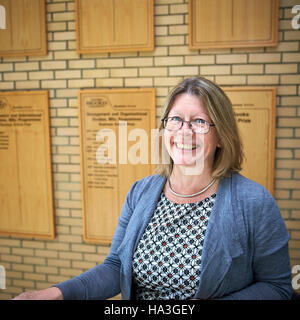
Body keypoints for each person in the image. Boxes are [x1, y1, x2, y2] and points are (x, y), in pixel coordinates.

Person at [13, 77, 292, 300]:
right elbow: (115, 268)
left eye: (199, 122)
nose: (185, 131)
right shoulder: (141, 191)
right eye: (176, 119)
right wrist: (54, 293)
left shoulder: (253, 201)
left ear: (221, 137)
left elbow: (276, 287)